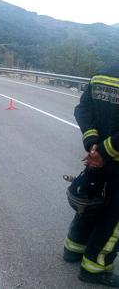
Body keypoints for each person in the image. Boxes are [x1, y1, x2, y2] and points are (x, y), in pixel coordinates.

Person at [65, 73, 119, 287]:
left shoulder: (101, 75)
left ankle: (73, 249)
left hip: (97, 157)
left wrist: (93, 144)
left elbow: (83, 109)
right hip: (111, 157)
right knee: (114, 218)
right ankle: (95, 268)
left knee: (90, 202)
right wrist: (104, 152)